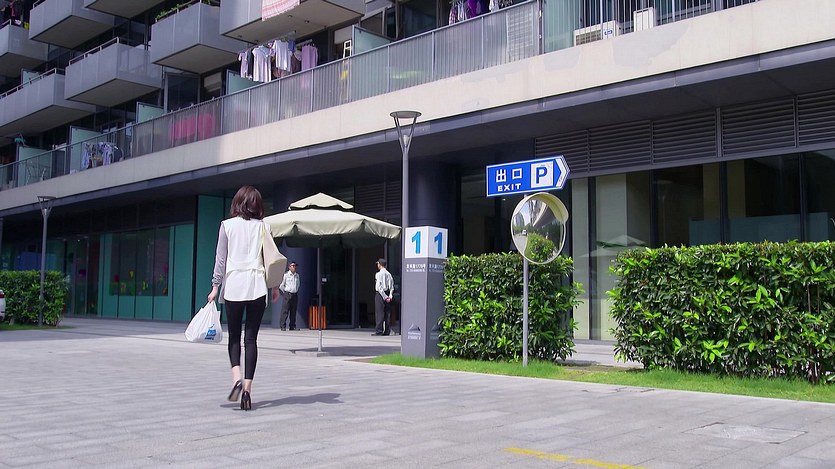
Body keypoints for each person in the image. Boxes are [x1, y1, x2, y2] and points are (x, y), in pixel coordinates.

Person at [207, 185, 268, 411]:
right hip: (257, 285)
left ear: (238, 202)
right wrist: (272, 286)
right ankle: (247, 391)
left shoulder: (227, 226)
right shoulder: (264, 227)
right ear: (257, 205)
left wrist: (215, 287)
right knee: (251, 339)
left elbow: (220, 260)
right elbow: (269, 258)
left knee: (234, 337)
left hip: (234, 285)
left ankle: (236, 378)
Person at [373, 258, 394, 336]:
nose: (377, 265)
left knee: (379, 313)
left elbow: (379, 287)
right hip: (387, 293)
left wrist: (384, 297)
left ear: (380, 264)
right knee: (387, 313)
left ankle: (379, 331)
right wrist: (390, 296)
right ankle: (387, 331)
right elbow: (391, 286)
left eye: (378, 264)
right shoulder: (389, 274)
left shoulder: (378, 274)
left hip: (380, 294)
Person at [277, 261, 300, 331]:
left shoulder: (297, 275)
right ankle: (283, 326)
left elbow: (298, 284)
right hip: (288, 294)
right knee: (285, 311)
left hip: (294, 294)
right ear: (289, 267)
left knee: (293, 311)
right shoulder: (286, 275)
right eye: (293, 266)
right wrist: (286, 292)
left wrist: (295, 290)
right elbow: (281, 285)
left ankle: (292, 326)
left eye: (295, 266)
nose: (295, 267)